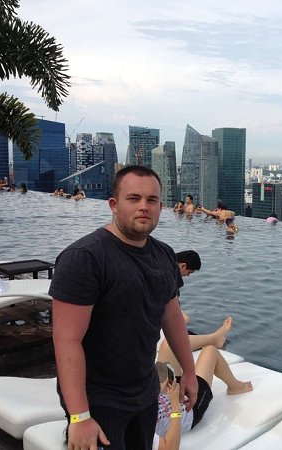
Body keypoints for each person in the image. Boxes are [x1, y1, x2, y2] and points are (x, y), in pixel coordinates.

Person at [50, 165, 198, 450]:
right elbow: (66, 340)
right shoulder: (85, 258)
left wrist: (189, 373)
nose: (144, 206)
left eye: (151, 200)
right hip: (98, 399)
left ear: (161, 207)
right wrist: (79, 416)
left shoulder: (164, 254)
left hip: (144, 390)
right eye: (133, 198)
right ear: (114, 205)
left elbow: (172, 316)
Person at [154, 344, 253, 450]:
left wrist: (157, 386)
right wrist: (175, 407)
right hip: (189, 408)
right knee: (210, 351)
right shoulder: (141, 432)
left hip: (167, 392)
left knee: (169, 345)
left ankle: (216, 338)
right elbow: (170, 448)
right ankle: (235, 387)